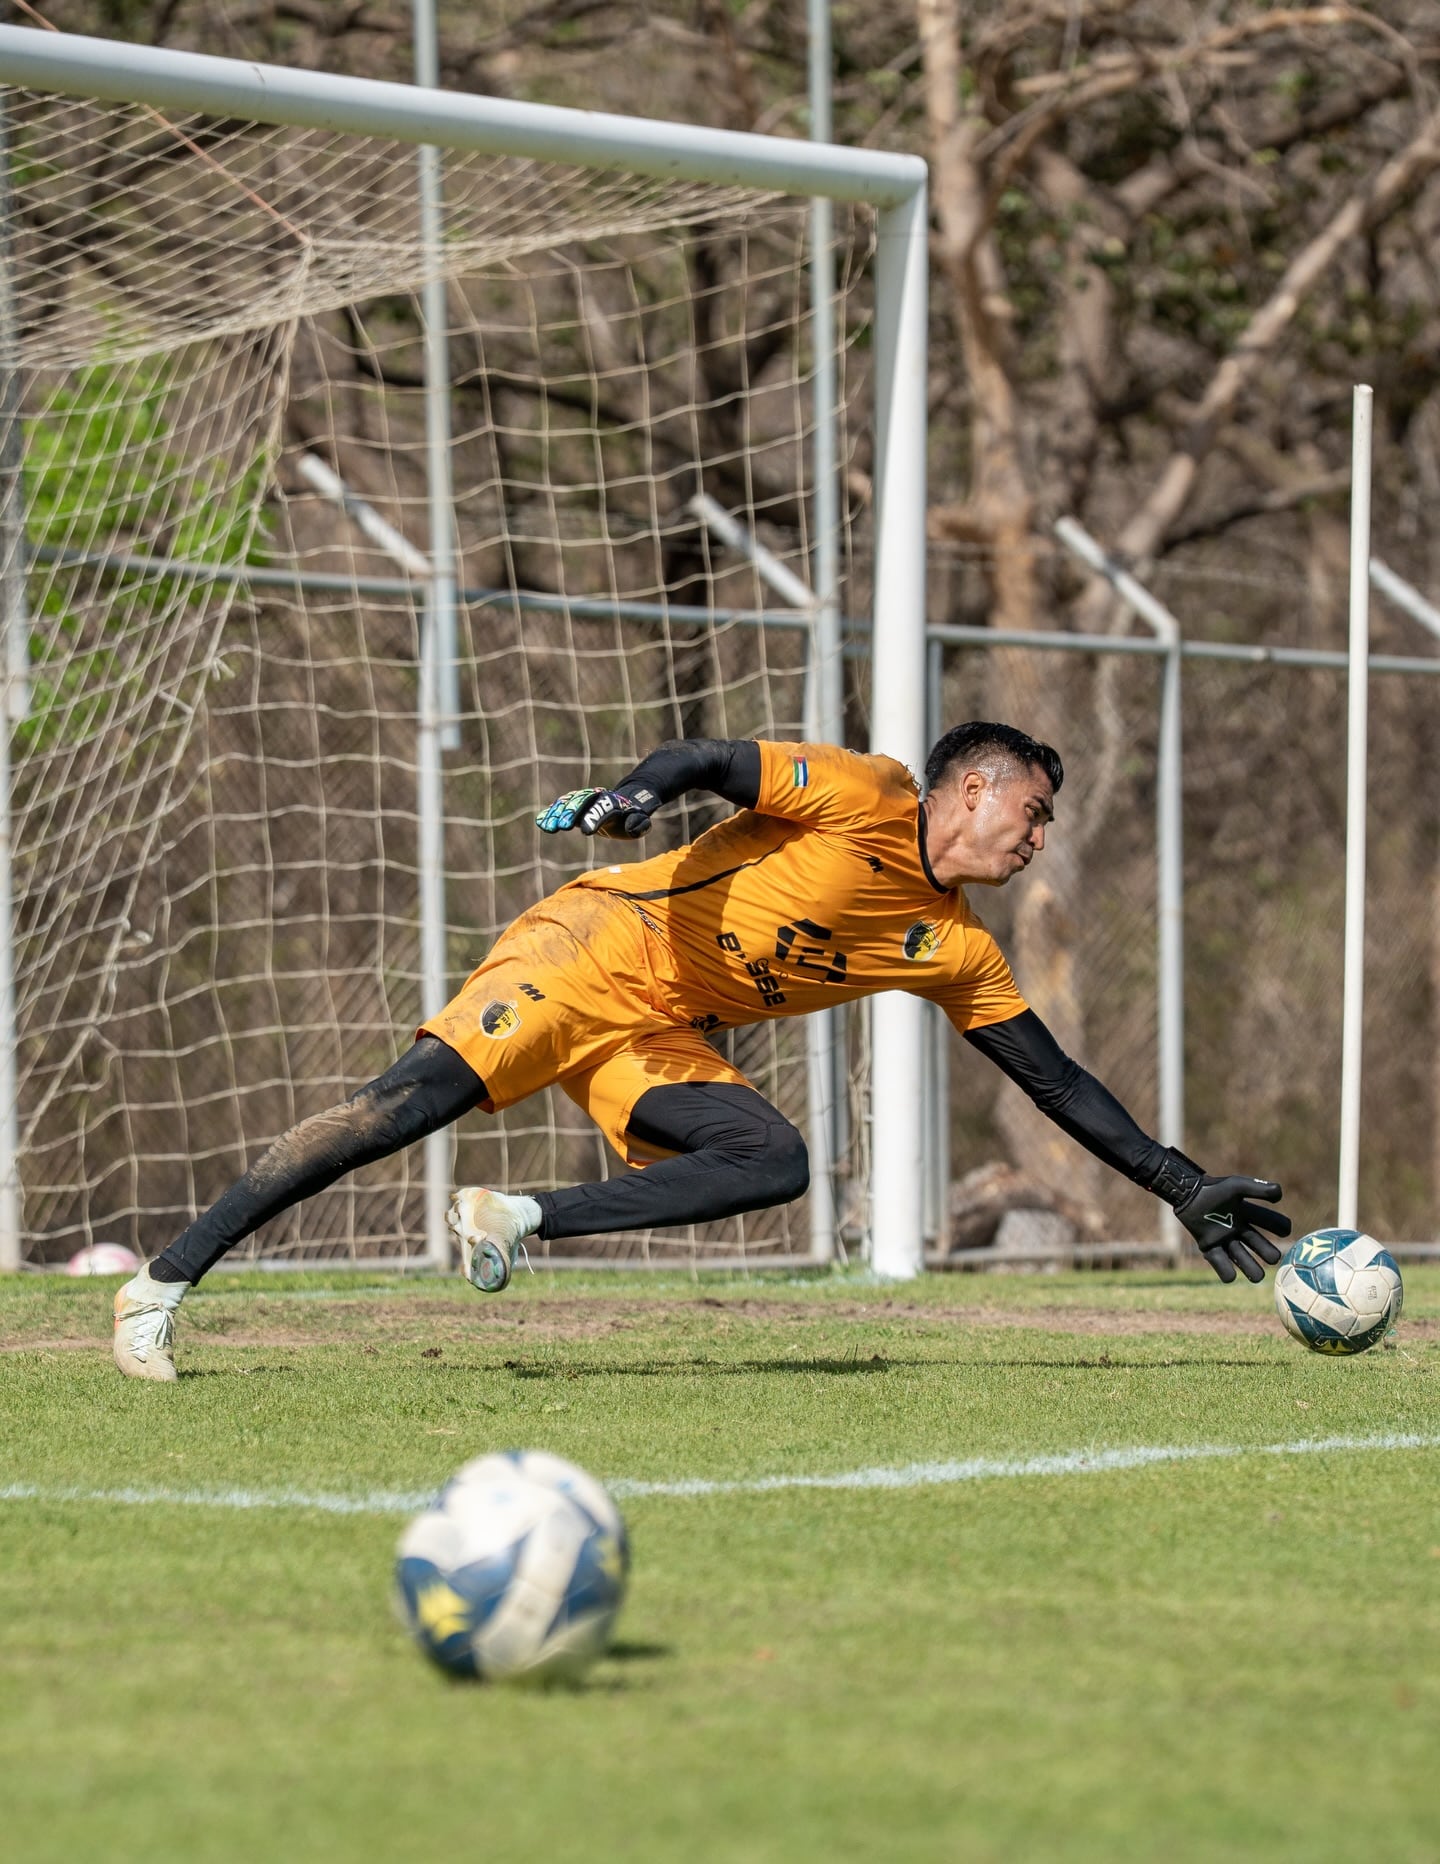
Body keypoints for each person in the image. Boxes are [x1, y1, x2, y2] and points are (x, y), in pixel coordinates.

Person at [112, 723, 1291, 1379]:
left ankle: (518, 1218)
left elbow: (1061, 1085)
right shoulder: (864, 792)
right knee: (401, 1106)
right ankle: (160, 1283)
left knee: (770, 1157)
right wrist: (634, 797)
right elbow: (707, 758)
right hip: (588, 947)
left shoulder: (957, 950)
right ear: (973, 790)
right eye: (1033, 812)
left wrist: (1183, 1186)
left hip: (662, 1033)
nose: (1037, 837)